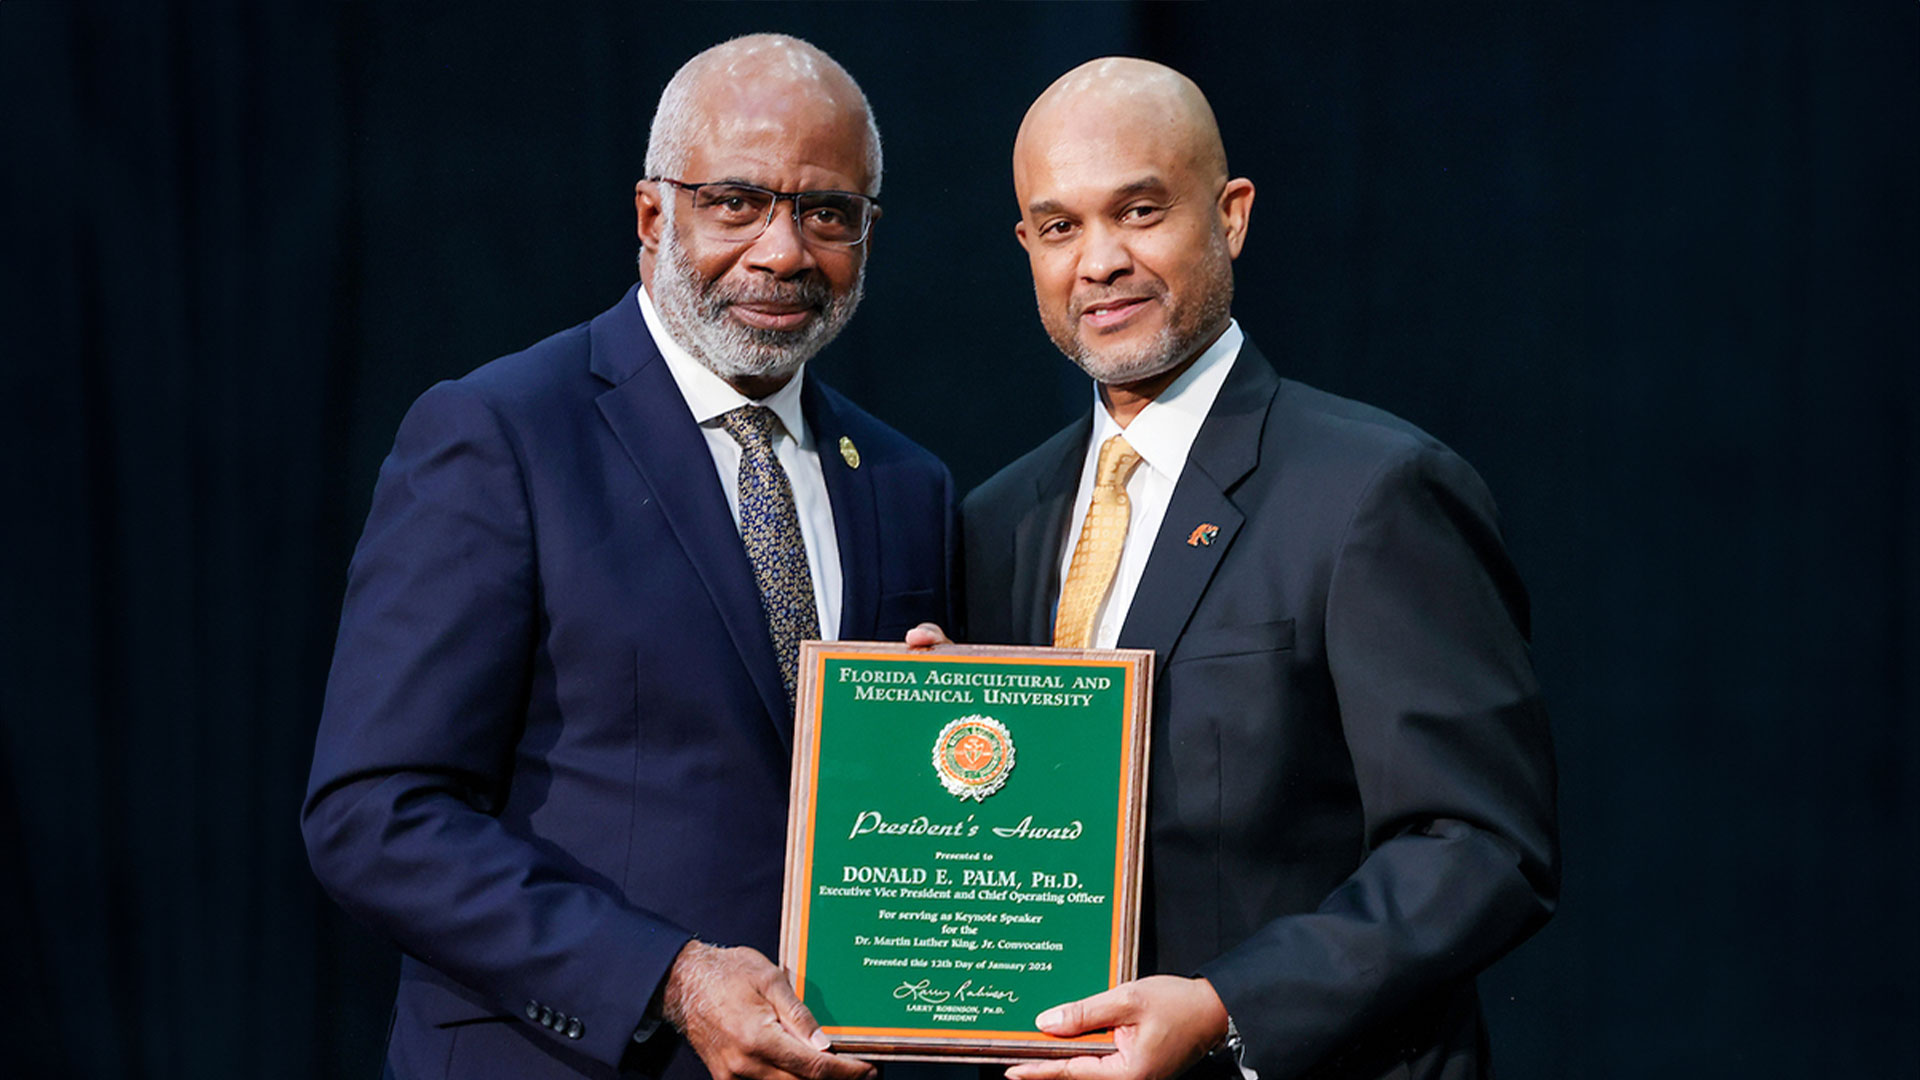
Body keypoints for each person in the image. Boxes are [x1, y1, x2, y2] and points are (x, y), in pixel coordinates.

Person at [303, 35, 952, 1080]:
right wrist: (670, 976)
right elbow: (374, 816)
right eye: (737, 201)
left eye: (828, 213)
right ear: (655, 216)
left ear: (868, 236)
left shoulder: (904, 482)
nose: (784, 251)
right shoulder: (498, 435)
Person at [941, 58, 1558, 1080]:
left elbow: (1481, 848)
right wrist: (926, 706)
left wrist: (1230, 1007)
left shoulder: (1376, 489)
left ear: (1229, 216)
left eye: (1139, 211)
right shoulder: (995, 521)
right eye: (1060, 228)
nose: (1099, 261)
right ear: (1026, 247)